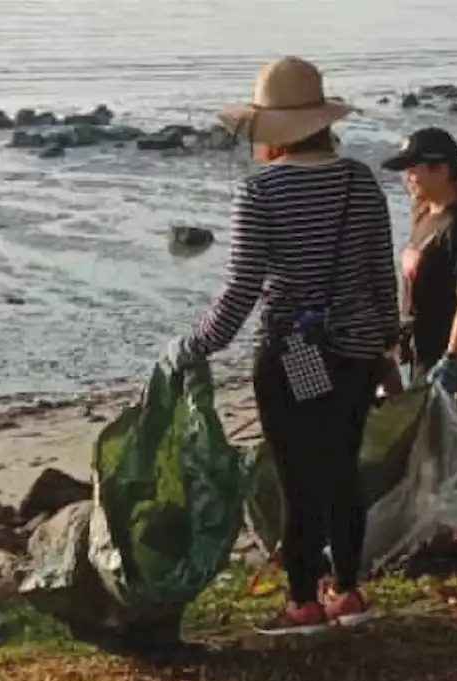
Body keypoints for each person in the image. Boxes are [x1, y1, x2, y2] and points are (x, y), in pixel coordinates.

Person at [164, 56, 400, 635]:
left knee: (298, 478)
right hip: (356, 351)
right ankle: (347, 591)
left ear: (270, 129)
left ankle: (302, 603)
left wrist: (195, 345)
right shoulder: (361, 180)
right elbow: (379, 274)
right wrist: (385, 342)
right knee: (342, 470)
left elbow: (241, 289)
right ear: (320, 121)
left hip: (292, 351)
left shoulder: (260, 193)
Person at [382, 127, 457, 570]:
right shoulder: (424, 217)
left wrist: (452, 358)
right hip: (418, 350)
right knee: (431, 449)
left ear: (441, 169)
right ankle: (452, 531)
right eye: (404, 169)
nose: (407, 177)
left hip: (446, 353)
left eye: (414, 168)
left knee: (441, 449)